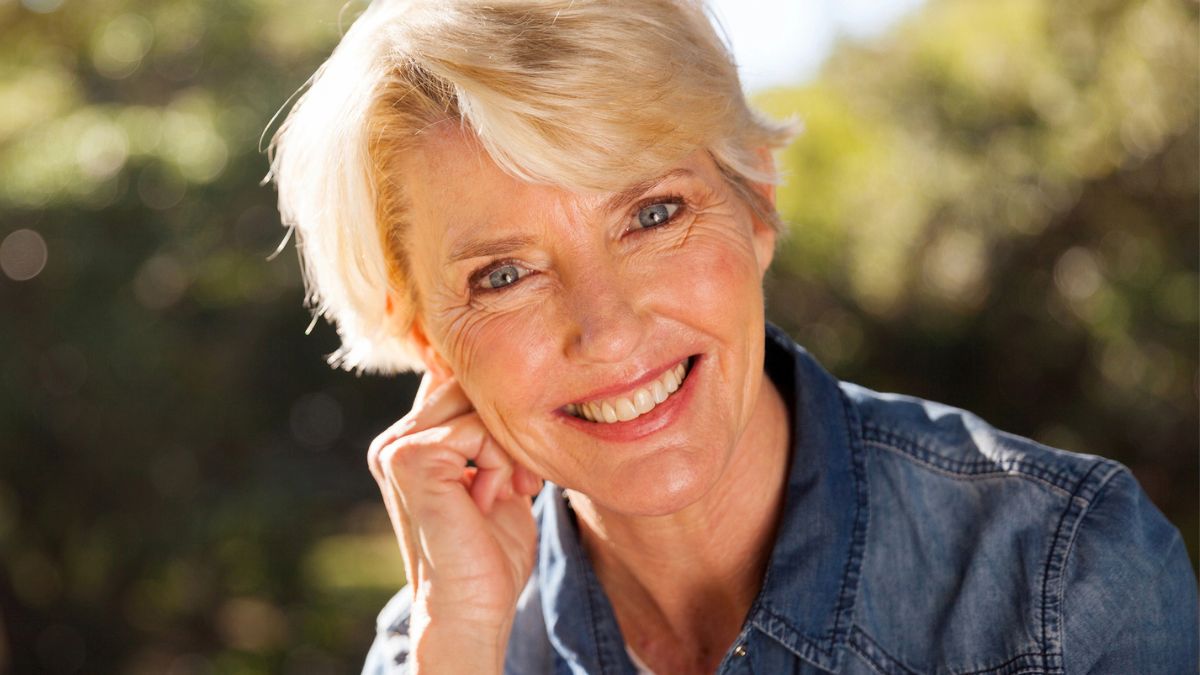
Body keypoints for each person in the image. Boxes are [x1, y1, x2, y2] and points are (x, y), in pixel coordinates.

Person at [267, 1, 1199, 672]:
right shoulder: (438, 646)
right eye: (503, 275)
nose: (608, 327)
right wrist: (460, 647)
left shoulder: (1065, 575)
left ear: (756, 202)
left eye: (653, 213)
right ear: (427, 334)